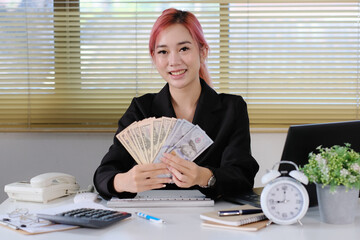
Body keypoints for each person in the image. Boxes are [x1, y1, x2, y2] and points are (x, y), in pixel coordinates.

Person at [93, 8, 259, 200]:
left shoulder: (232, 108)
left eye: (184, 49)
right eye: (163, 51)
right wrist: (123, 182)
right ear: (154, 58)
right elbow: (103, 174)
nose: (174, 61)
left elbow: (243, 177)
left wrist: (205, 177)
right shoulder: (141, 109)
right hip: (151, 221)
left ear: (203, 51)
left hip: (211, 220)